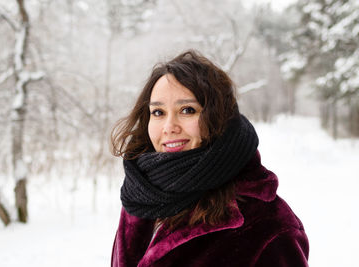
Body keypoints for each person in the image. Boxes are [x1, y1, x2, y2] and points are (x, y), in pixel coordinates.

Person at [110, 50, 309, 267]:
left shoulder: (269, 225)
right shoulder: (141, 195)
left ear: (219, 118)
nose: (169, 127)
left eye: (187, 110)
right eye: (158, 112)